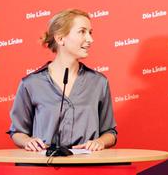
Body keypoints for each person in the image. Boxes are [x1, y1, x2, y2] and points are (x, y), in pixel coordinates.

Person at [8, 8, 117, 152]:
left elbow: (110, 132)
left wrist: (100, 142)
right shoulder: (31, 83)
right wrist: (28, 141)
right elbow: (17, 132)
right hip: (45, 168)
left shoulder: (99, 82)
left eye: (90, 33)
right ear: (60, 38)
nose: (90, 39)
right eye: (82, 32)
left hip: (88, 167)